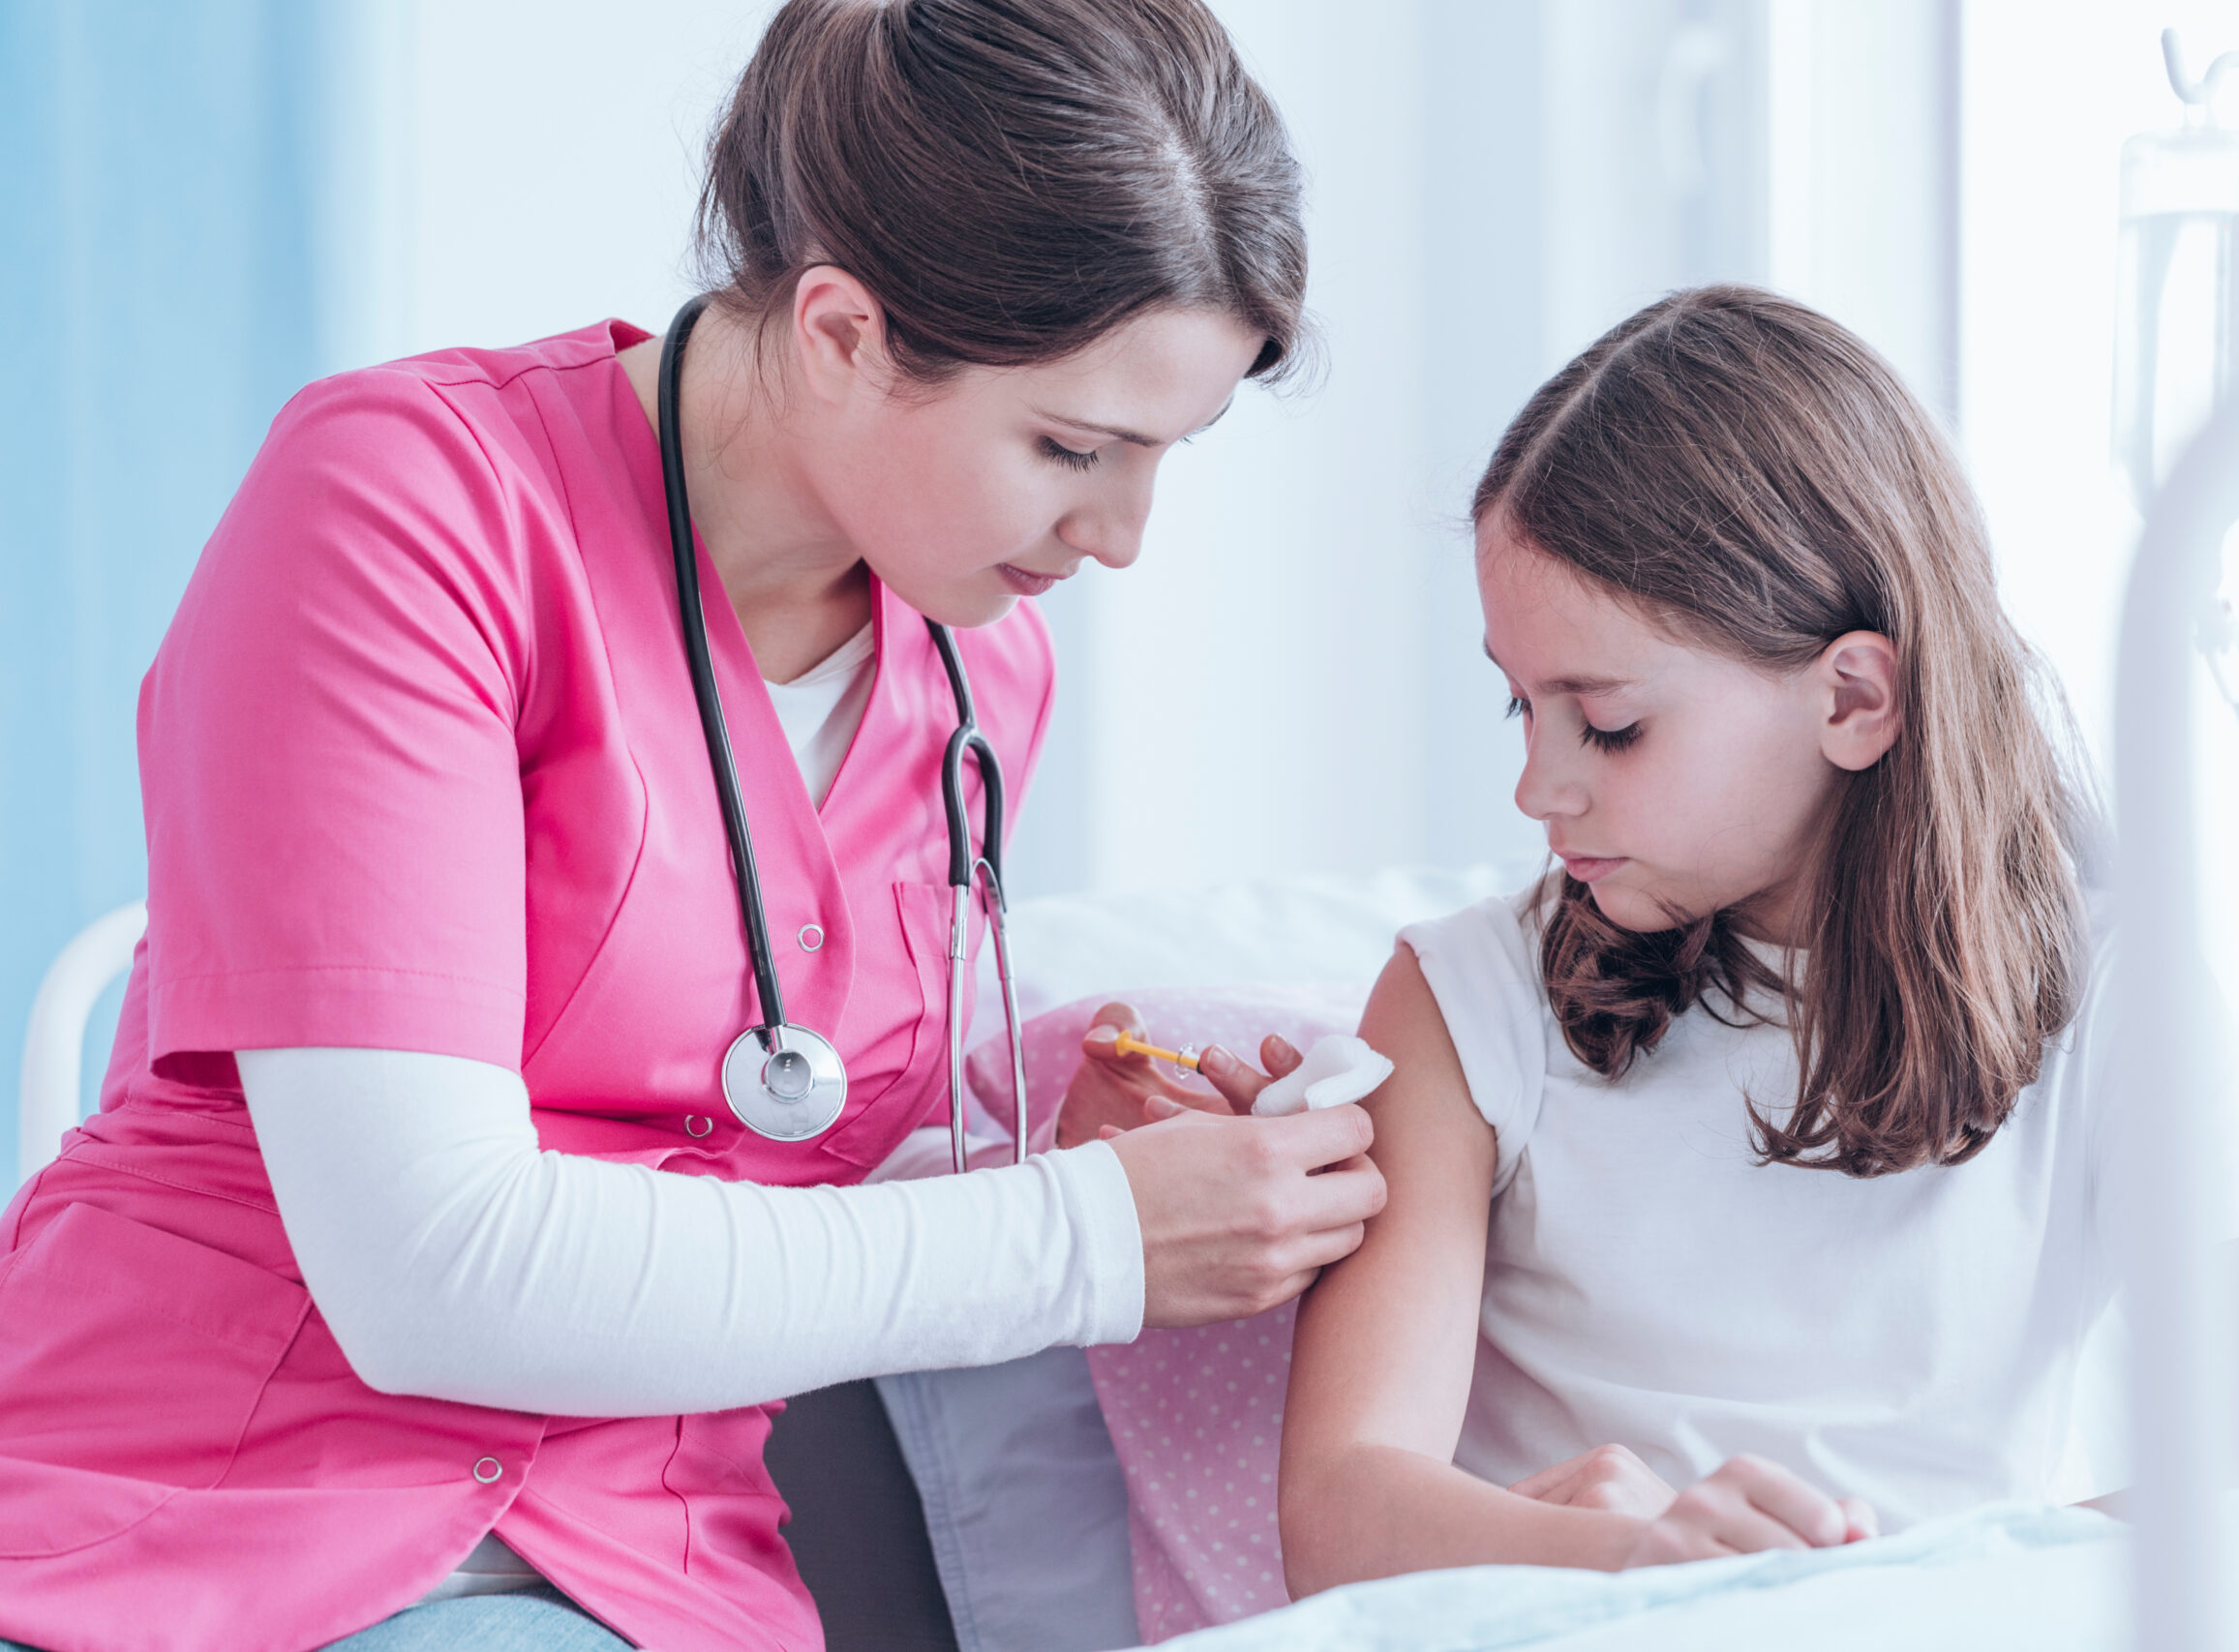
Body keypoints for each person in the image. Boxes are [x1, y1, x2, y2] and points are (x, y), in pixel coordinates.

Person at [0, 3, 1384, 1649]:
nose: (1124, 536)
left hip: (657, 1584)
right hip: (204, 1536)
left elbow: (749, 1156)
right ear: (843, 331)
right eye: (1072, 447)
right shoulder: (404, 510)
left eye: (1168, 456)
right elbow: (433, 1263)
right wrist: (1081, 1239)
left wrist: (1057, 1162)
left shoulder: (978, 671)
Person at [1276, 285, 2239, 1594]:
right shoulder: (1463, 1004)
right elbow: (1338, 1513)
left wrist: (1854, 1594)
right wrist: (1634, 1557)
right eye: (1522, 707)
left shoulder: (2113, 992)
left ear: (1854, 698)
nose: (1538, 789)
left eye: (1609, 724)